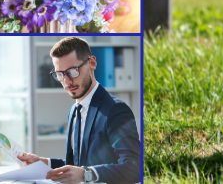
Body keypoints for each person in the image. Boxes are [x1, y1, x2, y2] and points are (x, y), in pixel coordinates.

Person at [17, 37, 140, 184]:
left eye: (73, 71)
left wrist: (86, 174)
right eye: (60, 74)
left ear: (92, 63)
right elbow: (78, 165)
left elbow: (135, 167)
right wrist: (43, 162)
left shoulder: (115, 109)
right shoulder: (74, 111)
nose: (67, 81)